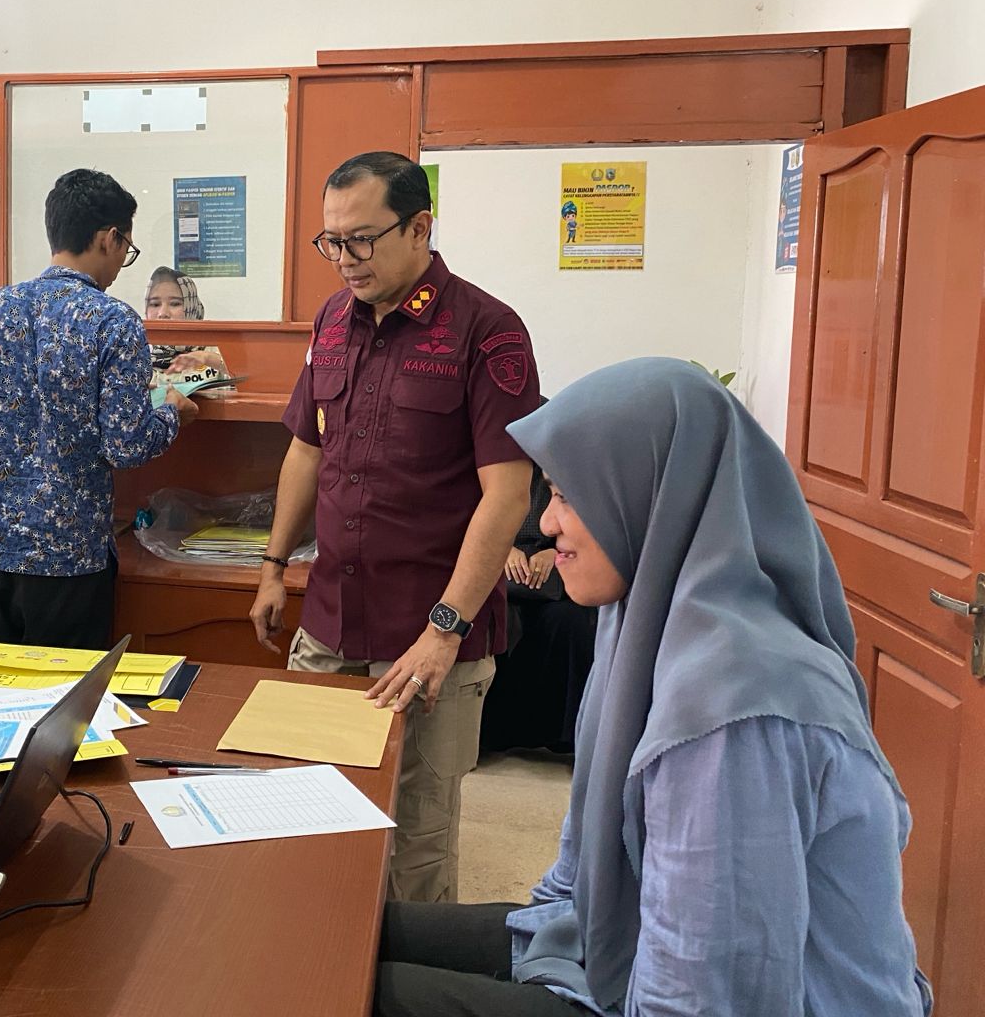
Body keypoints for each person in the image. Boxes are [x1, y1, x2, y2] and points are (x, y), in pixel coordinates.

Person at [374, 358, 932, 1017]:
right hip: (623, 946)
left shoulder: (732, 706)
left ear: (648, 495)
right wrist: (550, 947)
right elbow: (581, 876)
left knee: (345, 988)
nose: (547, 525)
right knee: (353, 932)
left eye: (568, 497)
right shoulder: (643, 619)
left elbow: (706, 996)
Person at [249, 150, 538, 904]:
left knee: (415, 840)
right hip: (332, 620)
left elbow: (507, 496)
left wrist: (445, 631)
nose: (345, 259)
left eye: (362, 240)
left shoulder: (489, 331)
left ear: (419, 228)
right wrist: (274, 566)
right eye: (331, 241)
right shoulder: (331, 322)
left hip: (430, 634)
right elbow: (307, 449)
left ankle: (407, 969)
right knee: (312, 813)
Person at [0, 169, 197, 660]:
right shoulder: (113, 320)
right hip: (65, 554)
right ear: (110, 238)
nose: (122, 263)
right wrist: (173, 413)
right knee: (61, 702)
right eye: (127, 249)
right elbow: (126, 445)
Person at [480, 458, 597, 755]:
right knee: (495, 615)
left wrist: (555, 551)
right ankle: (490, 732)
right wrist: (501, 548)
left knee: (572, 620)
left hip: (553, 573)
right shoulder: (490, 464)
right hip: (497, 568)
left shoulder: (566, 464)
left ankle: (567, 736)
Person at [144, 265, 227, 376]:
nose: (162, 314)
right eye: (155, 304)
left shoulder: (216, 348)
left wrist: (208, 358)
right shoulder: (135, 353)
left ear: (191, 307)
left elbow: (245, 375)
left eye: (175, 304)